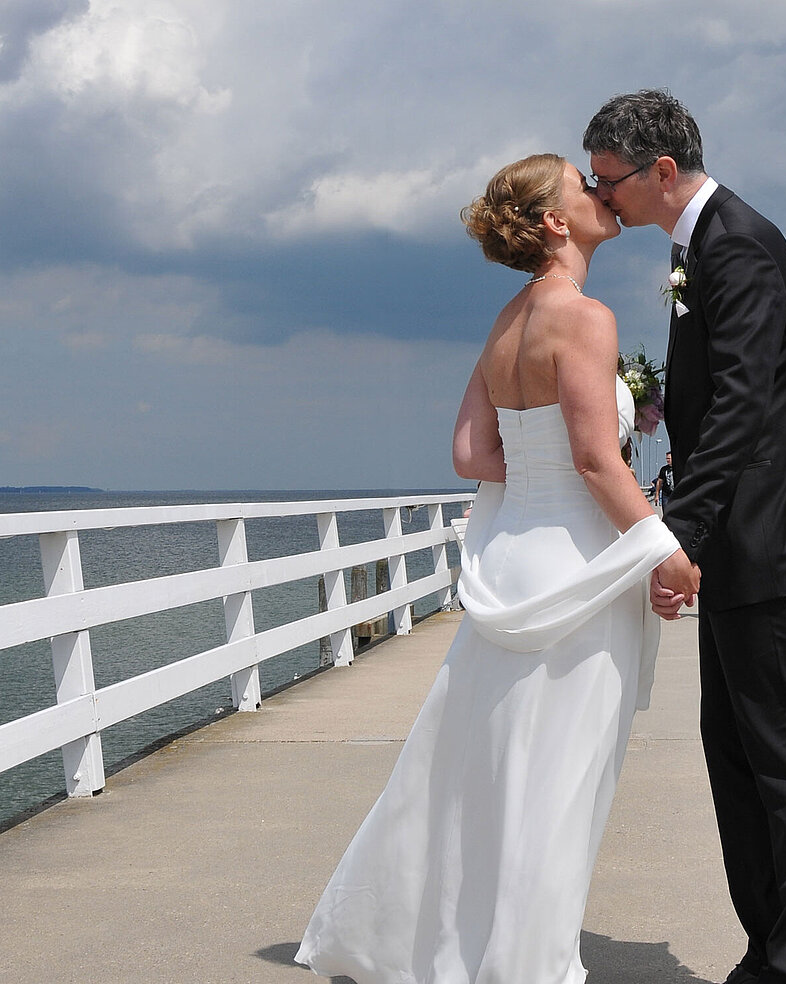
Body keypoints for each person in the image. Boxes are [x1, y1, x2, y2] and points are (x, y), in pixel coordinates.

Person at [296, 153, 697, 984]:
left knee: (488, 773)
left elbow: (469, 453)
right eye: (584, 187)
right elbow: (595, 459)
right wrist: (665, 548)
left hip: (513, 560)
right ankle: (529, 966)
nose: (601, 192)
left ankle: (459, 948)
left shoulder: (508, 320)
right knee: (557, 784)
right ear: (556, 222)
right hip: (576, 572)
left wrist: (548, 470)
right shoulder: (583, 317)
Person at [584, 91, 786, 984]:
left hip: (770, 540)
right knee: (734, 752)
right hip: (745, 540)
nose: (604, 199)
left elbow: (744, 405)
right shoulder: (698, 246)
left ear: (661, 171)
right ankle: (766, 950)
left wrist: (681, 536)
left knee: (783, 759)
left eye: (610, 181)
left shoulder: (736, 244)